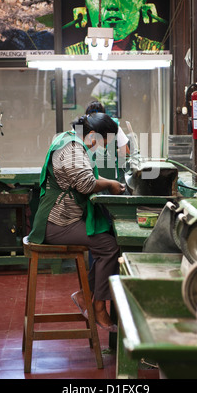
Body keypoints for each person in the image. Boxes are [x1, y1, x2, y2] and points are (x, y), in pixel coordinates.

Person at [28, 113, 125, 331]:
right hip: (56, 224)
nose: (98, 149)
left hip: (62, 220)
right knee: (109, 247)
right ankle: (98, 308)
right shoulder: (72, 149)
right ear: (92, 134)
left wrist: (109, 183)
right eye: (100, 144)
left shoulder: (69, 139)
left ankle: (85, 295)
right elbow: (86, 184)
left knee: (106, 242)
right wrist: (110, 183)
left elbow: (83, 179)